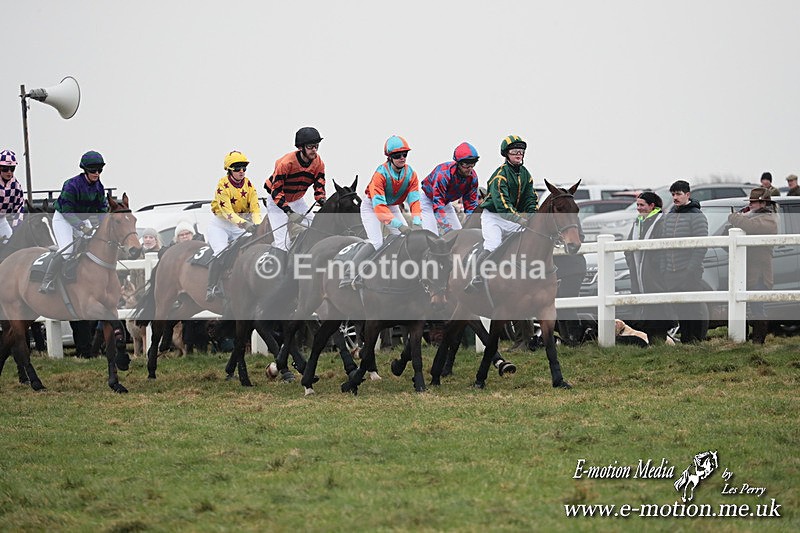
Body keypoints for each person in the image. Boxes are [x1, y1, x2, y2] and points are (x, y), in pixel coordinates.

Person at [465, 135, 538, 292]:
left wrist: (532, 216)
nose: (519, 154)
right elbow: (502, 205)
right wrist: (519, 219)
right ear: (506, 154)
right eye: (515, 151)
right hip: (494, 217)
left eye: (521, 151)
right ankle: (477, 277)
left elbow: (531, 198)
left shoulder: (526, 175)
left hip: (513, 219)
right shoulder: (499, 176)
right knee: (494, 244)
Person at [40, 150, 109, 294]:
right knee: (67, 252)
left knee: (92, 247)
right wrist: (82, 227)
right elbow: (67, 211)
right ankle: (47, 280)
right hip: (63, 218)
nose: (97, 173)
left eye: (99, 170)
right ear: (85, 170)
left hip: (82, 219)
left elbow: (102, 210)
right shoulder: (71, 185)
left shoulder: (99, 188)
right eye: (93, 170)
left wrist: (103, 227)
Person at [206, 150, 262, 301]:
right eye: (237, 168)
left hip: (240, 226)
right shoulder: (222, 185)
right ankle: (211, 287)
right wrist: (245, 224)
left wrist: (257, 224)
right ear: (229, 170)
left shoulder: (249, 184)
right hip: (220, 225)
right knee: (221, 250)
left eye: (244, 168)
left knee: (254, 244)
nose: (241, 171)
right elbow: (227, 212)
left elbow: (255, 207)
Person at [658, 180, 708, 343]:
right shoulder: (670, 215)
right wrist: (664, 268)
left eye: (678, 194)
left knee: (693, 307)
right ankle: (686, 339)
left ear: (687, 195)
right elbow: (663, 244)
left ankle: (696, 339)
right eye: (673, 194)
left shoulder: (697, 216)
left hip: (689, 270)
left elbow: (701, 246)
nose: (675, 197)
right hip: (671, 271)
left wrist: (690, 269)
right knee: (680, 307)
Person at [726, 187, 778, 344]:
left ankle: (758, 341)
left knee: (757, 307)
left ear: (763, 203)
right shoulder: (751, 217)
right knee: (746, 307)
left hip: (759, 272)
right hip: (746, 270)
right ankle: (746, 339)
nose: (751, 205)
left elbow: (752, 227)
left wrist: (735, 217)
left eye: (754, 202)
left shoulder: (769, 219)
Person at [264, 127, 326, 252]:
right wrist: (289, 212)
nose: (314, 150)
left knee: (316, 228)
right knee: (283, 244)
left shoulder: (319, 163)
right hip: (277, 203)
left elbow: (319, 187)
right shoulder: (286, 164)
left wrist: (323, 201)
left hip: (297, 201)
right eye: (310, 146)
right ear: (300, 147)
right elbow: (276, 192)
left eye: (316, 146)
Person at [623, 191, 673, 342]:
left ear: (652, 206)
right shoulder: (638, 222)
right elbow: (628, 246)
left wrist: (656, 265)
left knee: (658, 306)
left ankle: (659, 339)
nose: (639, 208)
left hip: (655, 273)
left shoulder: (662, 222)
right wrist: (631, 262)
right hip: (639, 273)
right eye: (637, 205)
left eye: (642, 205)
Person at [361, 135, 422, 249]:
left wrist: (417, 222)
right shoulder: (380, 174)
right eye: (397, 155)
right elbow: (379, 206)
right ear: (389, 157)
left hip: (392, 206)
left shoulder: (411, 174)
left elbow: (414, 201)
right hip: (372, 207)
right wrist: (398, 225)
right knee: (377, 244)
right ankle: (356, 261)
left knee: (404, 240)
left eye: (405, 154)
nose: (402, 158)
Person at [420, 142, 479, 235]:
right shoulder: (443, 175)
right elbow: (438, 204)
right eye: (466, 164)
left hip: (446, 203)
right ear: (458, 163)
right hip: (428, 200)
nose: (470, 168)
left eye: (473, 164)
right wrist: (447, 228)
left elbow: (471, 205)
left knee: (459, 234)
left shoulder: (473, 178)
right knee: (432, 235)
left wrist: (473, 226)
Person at [0, 149, 24, 241]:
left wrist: (16, 228)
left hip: (1, 219)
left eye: (12, 168)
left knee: (12, 242)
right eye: (5, 169)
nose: (9, 172)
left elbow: (19, 209)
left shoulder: (16, 187)